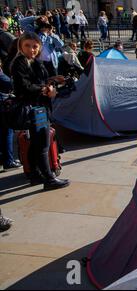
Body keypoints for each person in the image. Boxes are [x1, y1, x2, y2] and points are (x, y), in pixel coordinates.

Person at [10, 32, 70, 190]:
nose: (31, 49)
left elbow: (40, 80)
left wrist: (53, 80)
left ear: (40, 47)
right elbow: (24, 86)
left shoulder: (34, 61)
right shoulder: (19, 62)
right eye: (27, 46)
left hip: (39, 107)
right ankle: (48, 179)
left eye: (35, 46)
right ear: (21, 46)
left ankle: (35, 174)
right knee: (43, 142)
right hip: (33, 108)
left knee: (36, 142)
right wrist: (45, 89)